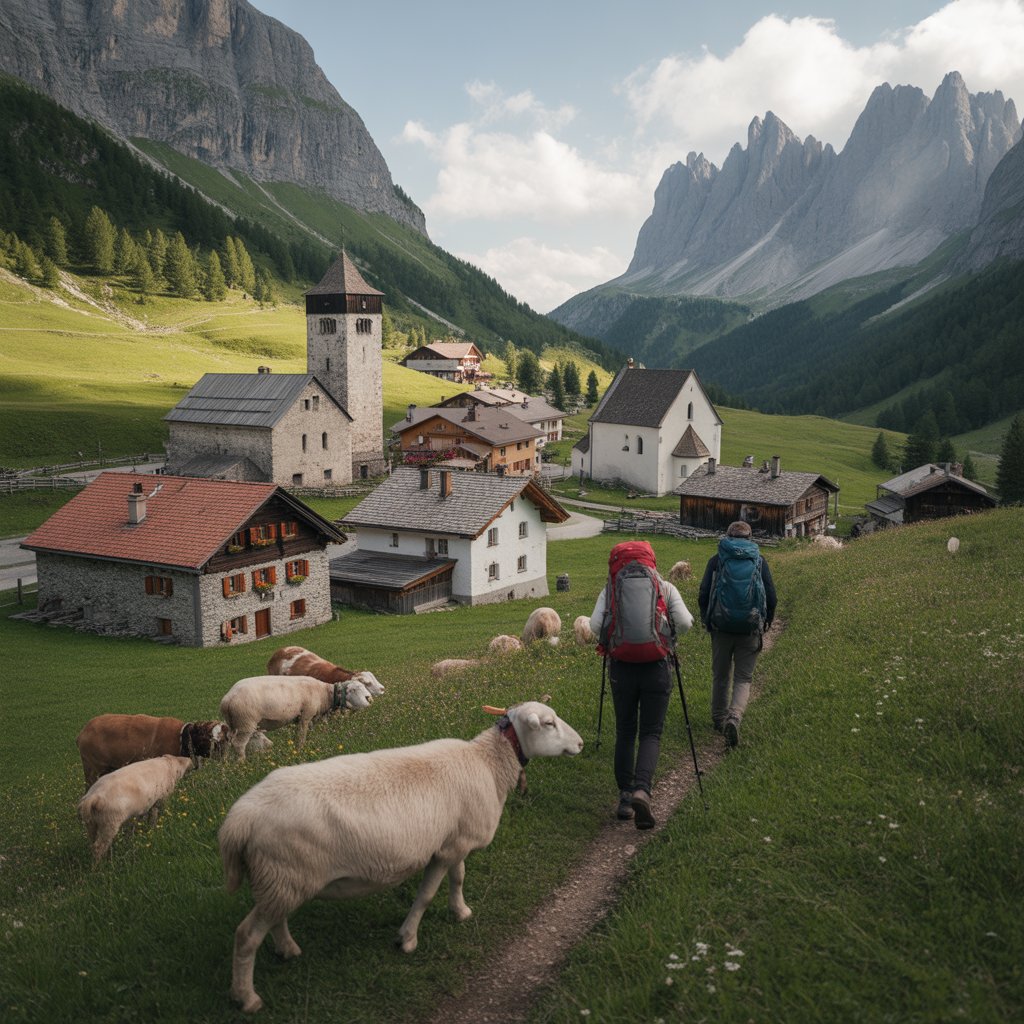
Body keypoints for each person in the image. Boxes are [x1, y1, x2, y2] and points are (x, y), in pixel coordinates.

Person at [591, 540, 694, 830]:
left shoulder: (611, 588)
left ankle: (625, 798)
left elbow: (595, 626)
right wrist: (668, 637)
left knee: (625, 730)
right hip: (656, 667)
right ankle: (642, 790)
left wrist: (610, 642)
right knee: (651, 732)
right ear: (651, 561)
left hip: (621, 668)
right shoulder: (664, 587)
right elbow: (686, 623)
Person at [697, 521, 777, 748]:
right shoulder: (759, 561)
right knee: (743, 677)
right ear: (750, 537)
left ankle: (719, 718)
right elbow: (771, 595)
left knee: (721, 675)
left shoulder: (717, 560)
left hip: (721, 627)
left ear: (728, 536)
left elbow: (704, 593)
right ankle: (735, 716)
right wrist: (767, 620)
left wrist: (706, 619)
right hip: (749, 627)